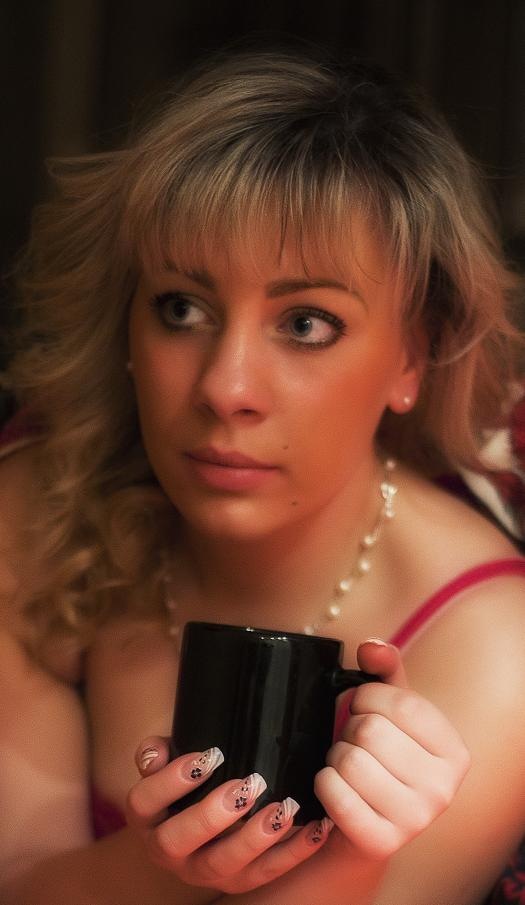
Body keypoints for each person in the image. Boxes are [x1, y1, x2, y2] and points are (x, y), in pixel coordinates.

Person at [1, 45, 525, 905]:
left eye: (307, 322)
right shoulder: (40, 511)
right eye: (181, 307)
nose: (224, 387)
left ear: (411, 356)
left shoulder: (492, 649)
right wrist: (161, 862)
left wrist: (351, 866)